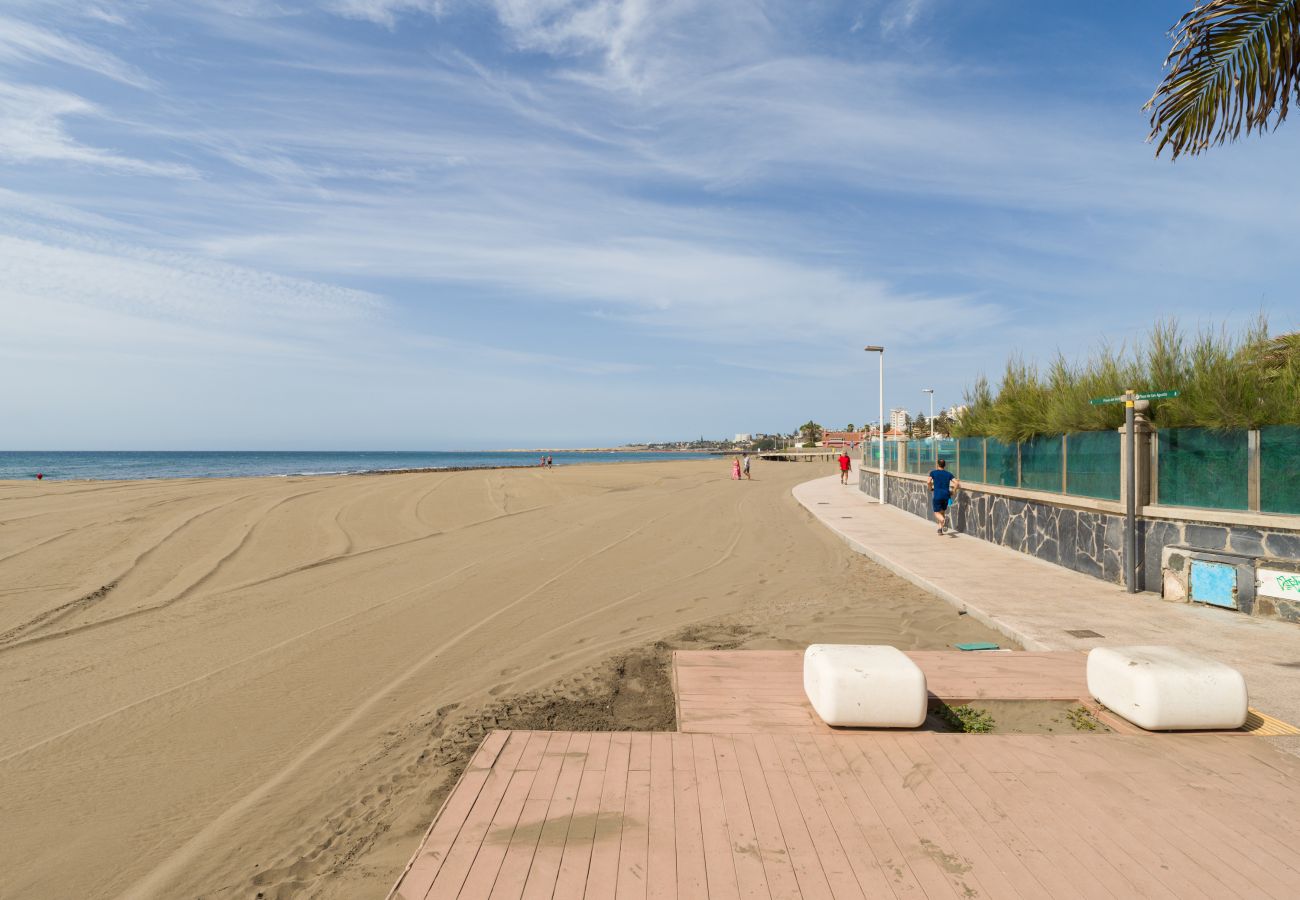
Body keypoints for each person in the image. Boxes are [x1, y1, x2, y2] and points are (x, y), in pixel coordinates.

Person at [928, 458, 958, 534]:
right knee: (942, 512)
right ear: (945, 465)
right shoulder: (948, 474)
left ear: (938, 464)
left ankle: (944, 521)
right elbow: (956, 483)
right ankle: (940, 529)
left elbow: (928, 481)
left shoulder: (933, 473)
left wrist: (930, 487)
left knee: (936, 513)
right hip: (946, 496)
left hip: (937, 495)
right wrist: (953, 491)